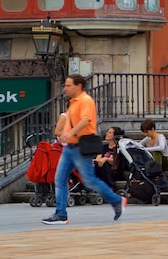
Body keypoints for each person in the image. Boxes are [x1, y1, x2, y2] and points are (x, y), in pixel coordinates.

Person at [41, 74, 126, 225]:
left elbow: (86, 120)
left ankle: (117, 200)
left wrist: (70, 133)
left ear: (78, 86)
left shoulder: (85, 100)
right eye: (65, 85)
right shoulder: (73, 102)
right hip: (70, 148)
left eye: (68, 85)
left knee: (89, 181)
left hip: (80, 147)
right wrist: (63, 135)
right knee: (59, 179)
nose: (65, 88)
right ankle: (61, 214)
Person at [93, 126, 126, 191]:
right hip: (102, 170)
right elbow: (98, 159)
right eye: (107, 132)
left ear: (115, 136)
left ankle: (110, 187)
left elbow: (116, 162)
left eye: (110, 133)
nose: (107, 134)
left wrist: (106, 159)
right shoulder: (103, 147)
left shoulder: (118, 148)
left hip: (115, 171)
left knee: (105, 164)